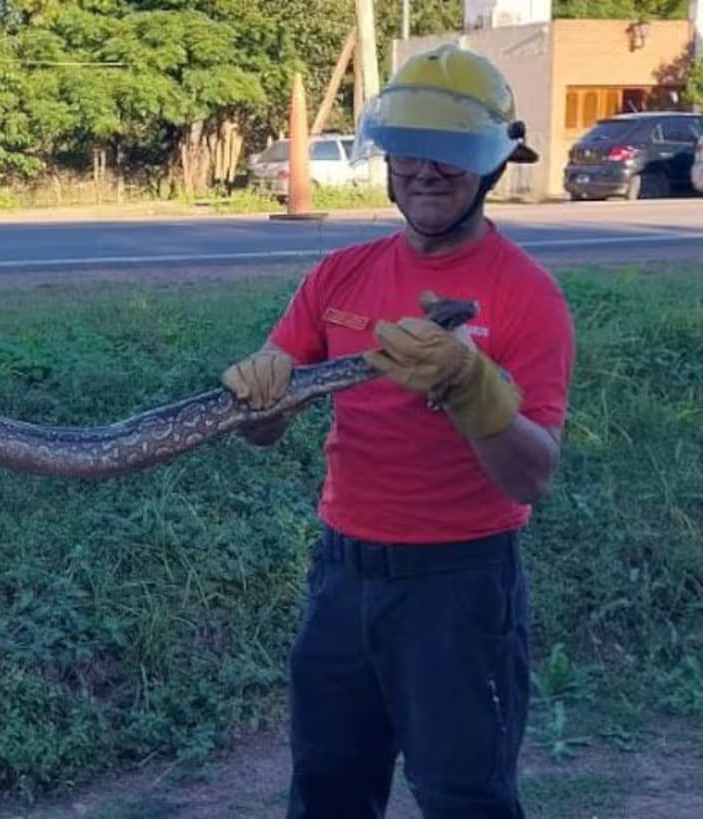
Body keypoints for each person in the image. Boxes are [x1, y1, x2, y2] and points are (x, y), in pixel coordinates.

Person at [222, 45, 575, 818]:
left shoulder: (527, 296)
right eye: (410, 147)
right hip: (341, 577)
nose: (426, 168)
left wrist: (471, 390)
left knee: (465, 797)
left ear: (493, 162)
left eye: (452, 151)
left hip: (459, 588)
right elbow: (263, 425)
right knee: (327, 791)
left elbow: (532, 476)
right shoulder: (338, 275)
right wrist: (260, 402)